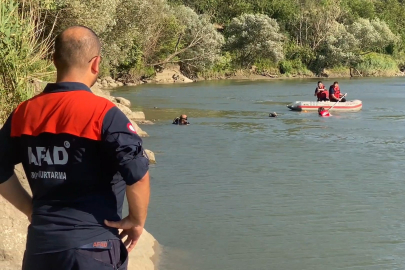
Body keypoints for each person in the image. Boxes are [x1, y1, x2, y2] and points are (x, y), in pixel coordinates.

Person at [0, 26, 150, 270]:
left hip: (41, 248)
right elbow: (138, 176)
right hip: (94, 248)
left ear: (54, 61)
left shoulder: (23, 113)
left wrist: (31, 209)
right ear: (96, 64)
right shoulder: (104, 115)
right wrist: (136, 220)